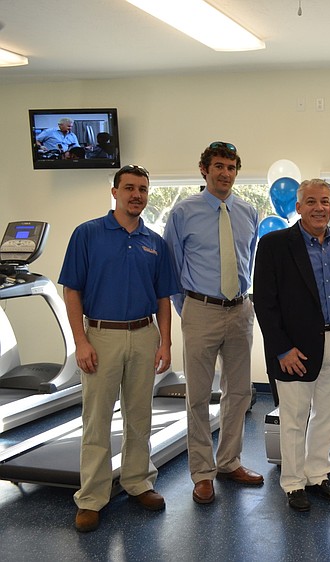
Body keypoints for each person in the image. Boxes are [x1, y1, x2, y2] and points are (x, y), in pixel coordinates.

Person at [58, 164, 179, 532]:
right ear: (114, 192)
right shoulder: (88, 234)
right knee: (96, 420)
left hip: (144, 334)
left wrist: (165, 343)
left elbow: (163, 297)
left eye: (143, 189)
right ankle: (92, 497)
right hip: (101, 336)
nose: (136, 195)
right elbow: (72, 290)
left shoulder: (155, 242)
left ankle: (138, 481)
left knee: (139, 416)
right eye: (129, 188)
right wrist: (80, 341)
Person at [163, 141, 263, 505]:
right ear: (204, 170)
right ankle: (202, 473)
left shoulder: (249, 212)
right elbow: (171, 268)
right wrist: (187, 309)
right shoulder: (183, 212)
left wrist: (243, 303)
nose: (225, 173)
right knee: (199, 397)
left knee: (240, 392)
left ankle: (229, 461)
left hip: (239, 310)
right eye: (218, 166)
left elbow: (247, 262)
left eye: (232, 167)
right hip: (200, 309)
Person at [253, 179, 330, 512]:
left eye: (325, 201)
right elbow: (265, 302)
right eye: (311, 201)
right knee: (294, 417)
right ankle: (293, 483)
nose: (319, 207)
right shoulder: (274, 244)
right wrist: (282, 348)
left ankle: (317, 474)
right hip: (295, 348)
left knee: (328, 415)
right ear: (298, 207)